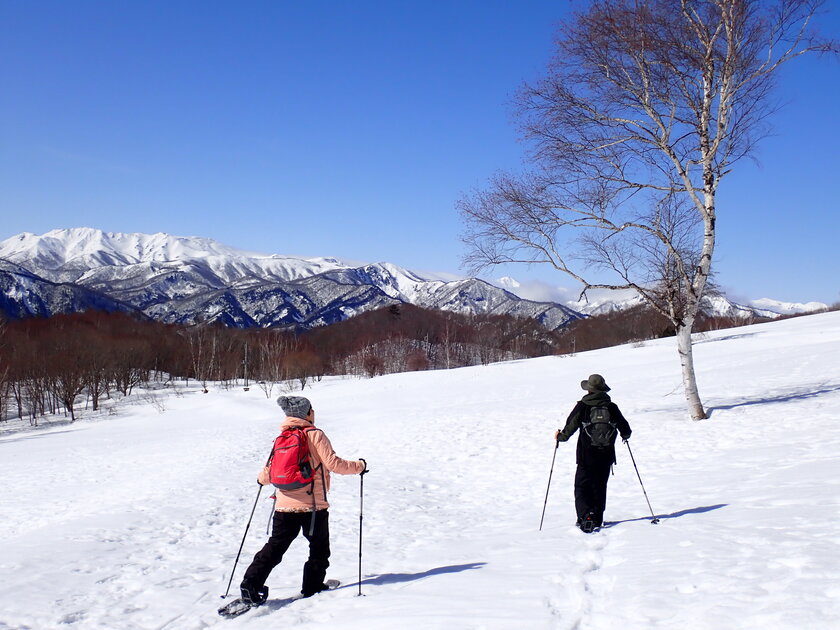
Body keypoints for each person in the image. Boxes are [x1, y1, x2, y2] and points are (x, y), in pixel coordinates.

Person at [239, 395, 367, 605]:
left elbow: (270, 471)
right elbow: (334, 464)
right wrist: (360, 466)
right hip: (313, 506)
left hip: (283, 505)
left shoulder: (281, 438)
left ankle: (250, 584)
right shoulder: (315, 435)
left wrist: (261, 480)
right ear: (307, 413)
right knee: (319, 549)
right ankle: (312, 586)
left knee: (275, 547)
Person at [555, 374, 631, 533]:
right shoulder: (611, 407)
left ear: (589, 390)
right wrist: (624, 435)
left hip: (586, 455)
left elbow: (570, 428)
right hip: (606, 454)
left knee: (582, 486)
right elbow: (626, 429)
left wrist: (560, 437)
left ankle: (584, 517)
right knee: (599, 485)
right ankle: (596, 518)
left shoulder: (582, 406)